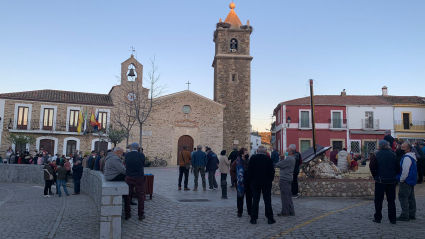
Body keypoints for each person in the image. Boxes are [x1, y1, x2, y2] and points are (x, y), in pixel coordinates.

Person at [369, 140, 399, 224]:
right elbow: (398, 168)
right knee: (391, 201)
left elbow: (372, 167)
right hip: (391, 181)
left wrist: (375, 176)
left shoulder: (376, 154)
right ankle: (392, 219)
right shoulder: (393, 154)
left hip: (380, 180)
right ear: (388, 146)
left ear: (379, 146)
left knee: (378, 200)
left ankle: (378, 218)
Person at [247, 146, 276, 225]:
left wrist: (250, 181)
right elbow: (272, 172)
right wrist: (270, 180)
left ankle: (253, 219)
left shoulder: (253, 159)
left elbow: (249, 171)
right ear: (265, 151)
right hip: (266, 183)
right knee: (267, 201)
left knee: (255, 201)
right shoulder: (268, 159)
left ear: (257, 151)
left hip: (255, 183)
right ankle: (270, 218)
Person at [124, 143, 146, 221]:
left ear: (131, 148)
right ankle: (140, 214)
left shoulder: (127, 155)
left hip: (129, 176)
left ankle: (127, 214)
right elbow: (143, 164)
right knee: (140, 196)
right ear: (138, 148)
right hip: (139, 177)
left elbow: (125, 163)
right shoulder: (141, 155)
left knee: (127, 196)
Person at [396, 143, 417, 221]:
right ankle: (412, 214)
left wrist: (401, 179)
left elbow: (405, 170)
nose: (401, 149)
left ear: (408, 149)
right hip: (411, 180)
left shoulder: (407, 158)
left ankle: (405, 215)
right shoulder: (413, 157)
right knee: (411, 198)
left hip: (406, 181)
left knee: (403, 197)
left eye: (403, 147)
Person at [230, 148, 252, 217]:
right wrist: (236, 178)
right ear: (242, 154)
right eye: (246, 152)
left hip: (248, 182)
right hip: (240, 182)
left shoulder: (249, 161)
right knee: (240, 198)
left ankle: (250, 211)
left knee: (249, 198)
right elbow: (231, 170)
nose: (247, 154)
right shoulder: (237, 162)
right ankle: (240, 212)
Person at [276, 148, 296, 216]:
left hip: (284, 178)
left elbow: (278, 165)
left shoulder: (288, 159)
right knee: (288, 195)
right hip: (288, 178)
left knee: (284, 196)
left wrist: (281, 159)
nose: (285, 152)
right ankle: (291, 210)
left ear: (290, 152)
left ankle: (285, 211)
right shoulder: (292, 159)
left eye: (287, 151)